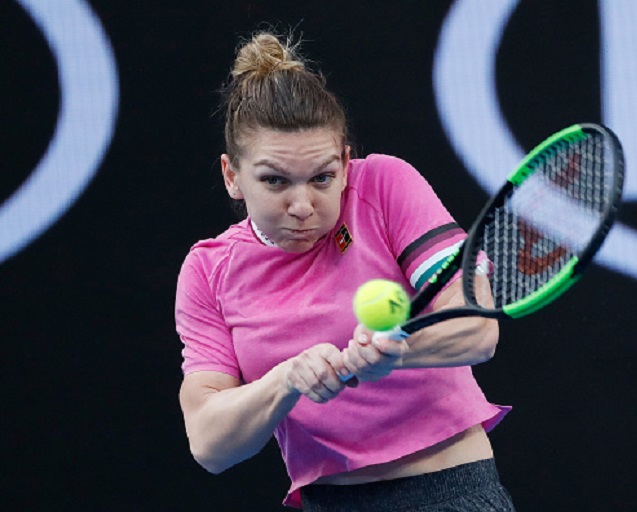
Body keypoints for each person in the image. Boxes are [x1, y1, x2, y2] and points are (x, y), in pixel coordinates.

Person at [175, 31, 515, 511]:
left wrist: (395, 352)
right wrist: (286, 378)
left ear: (345, 164)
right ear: (233, 176)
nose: (301, 205)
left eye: (322, 178)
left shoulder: (384, 186)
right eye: (274, 181)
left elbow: (477, 329)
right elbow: (210, 445)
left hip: (448, 491)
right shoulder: (209, 269)